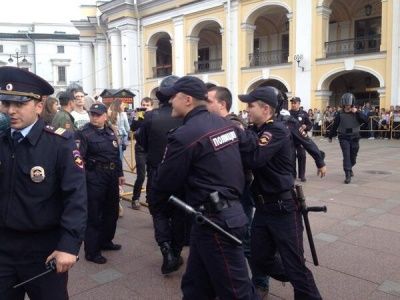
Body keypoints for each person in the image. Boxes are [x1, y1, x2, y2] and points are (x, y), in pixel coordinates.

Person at [152, 76, 257, 299]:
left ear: (187, 99)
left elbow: (165, 182)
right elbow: (251, 152)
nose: (170, 102)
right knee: (195, 287)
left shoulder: (185, 135)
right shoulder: (225, 123)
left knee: (237, 293)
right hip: (216, 217)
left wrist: (159, 211)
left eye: (174, 97)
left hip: (216, 223)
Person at [0, 66, 87, 299]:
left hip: (45, 250)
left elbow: (76, 197)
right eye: (6, 103)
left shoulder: (60, 143)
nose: (11, 111)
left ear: (39, 106)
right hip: (4, 249)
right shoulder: (2, 140)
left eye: (19, 104)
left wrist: (68, 246)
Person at [239, 86, 322, 300]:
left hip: (283, 207)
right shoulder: (256, 130)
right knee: (259, 258)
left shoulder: (276, 130)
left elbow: (254, 158)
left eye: (251, 105)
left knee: (295, 266)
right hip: (264, 207)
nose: (246, 109)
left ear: (266, 108)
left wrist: (240, 134)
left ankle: (300, 280)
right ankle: (294, 275)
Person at [135, 75, 185, 274]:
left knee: (159, 212)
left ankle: (166, 252)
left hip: (157, 172)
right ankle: (175, 252)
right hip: (181, 175)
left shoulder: (150, 116)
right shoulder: (186, 117)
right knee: (179, 213)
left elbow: (142, 143)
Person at [77, 103, 125, 264]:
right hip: (94, 177)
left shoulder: (110, 131)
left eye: (98, 114)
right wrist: (84, 180)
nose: (94, 117)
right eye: (92, 114)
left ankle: (106, 241)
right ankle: (92, 251)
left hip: (111, 176)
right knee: (94, 215)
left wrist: (120, 174)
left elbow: (115, 155)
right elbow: (78, 160)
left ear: (105, 116)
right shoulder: (84, 133)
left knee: (111, 211)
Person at [328, 93, 367, 184]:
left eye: (349, 105)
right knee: (346, 155)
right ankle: (347, 174)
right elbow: (335, 126)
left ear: (352, 103)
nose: (347, 106)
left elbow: (366, 120)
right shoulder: (340, 114)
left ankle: (350, 167)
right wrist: (330, 136)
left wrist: (357, 112)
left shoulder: (357, 112)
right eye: (346, 105)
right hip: (343, 137)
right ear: (343, 104)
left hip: (355, 137)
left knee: (353, 157)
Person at [130, 97, 154, 209]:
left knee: (152, 175)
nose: (145, 107)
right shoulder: (139, 115)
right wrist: (137, 117)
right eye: (143, 104)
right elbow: (133, 128)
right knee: (141, 175)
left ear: (151, 106)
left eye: (147, 105)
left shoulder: (154, 116)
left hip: (151, 149)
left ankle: (149, 197)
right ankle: (135, 198)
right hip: (140, 149)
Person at [290, 97, 313, 182]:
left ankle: (302, 175)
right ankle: (293, 175)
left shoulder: (303, 113)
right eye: (292, 103)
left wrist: (306, 126)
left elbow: (309, 124)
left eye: (295, 103)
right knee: (291, 157)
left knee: (302, 156)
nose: (293, 104)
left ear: (299, 104)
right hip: (291, 139)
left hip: (301, 139)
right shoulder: (288, 114)